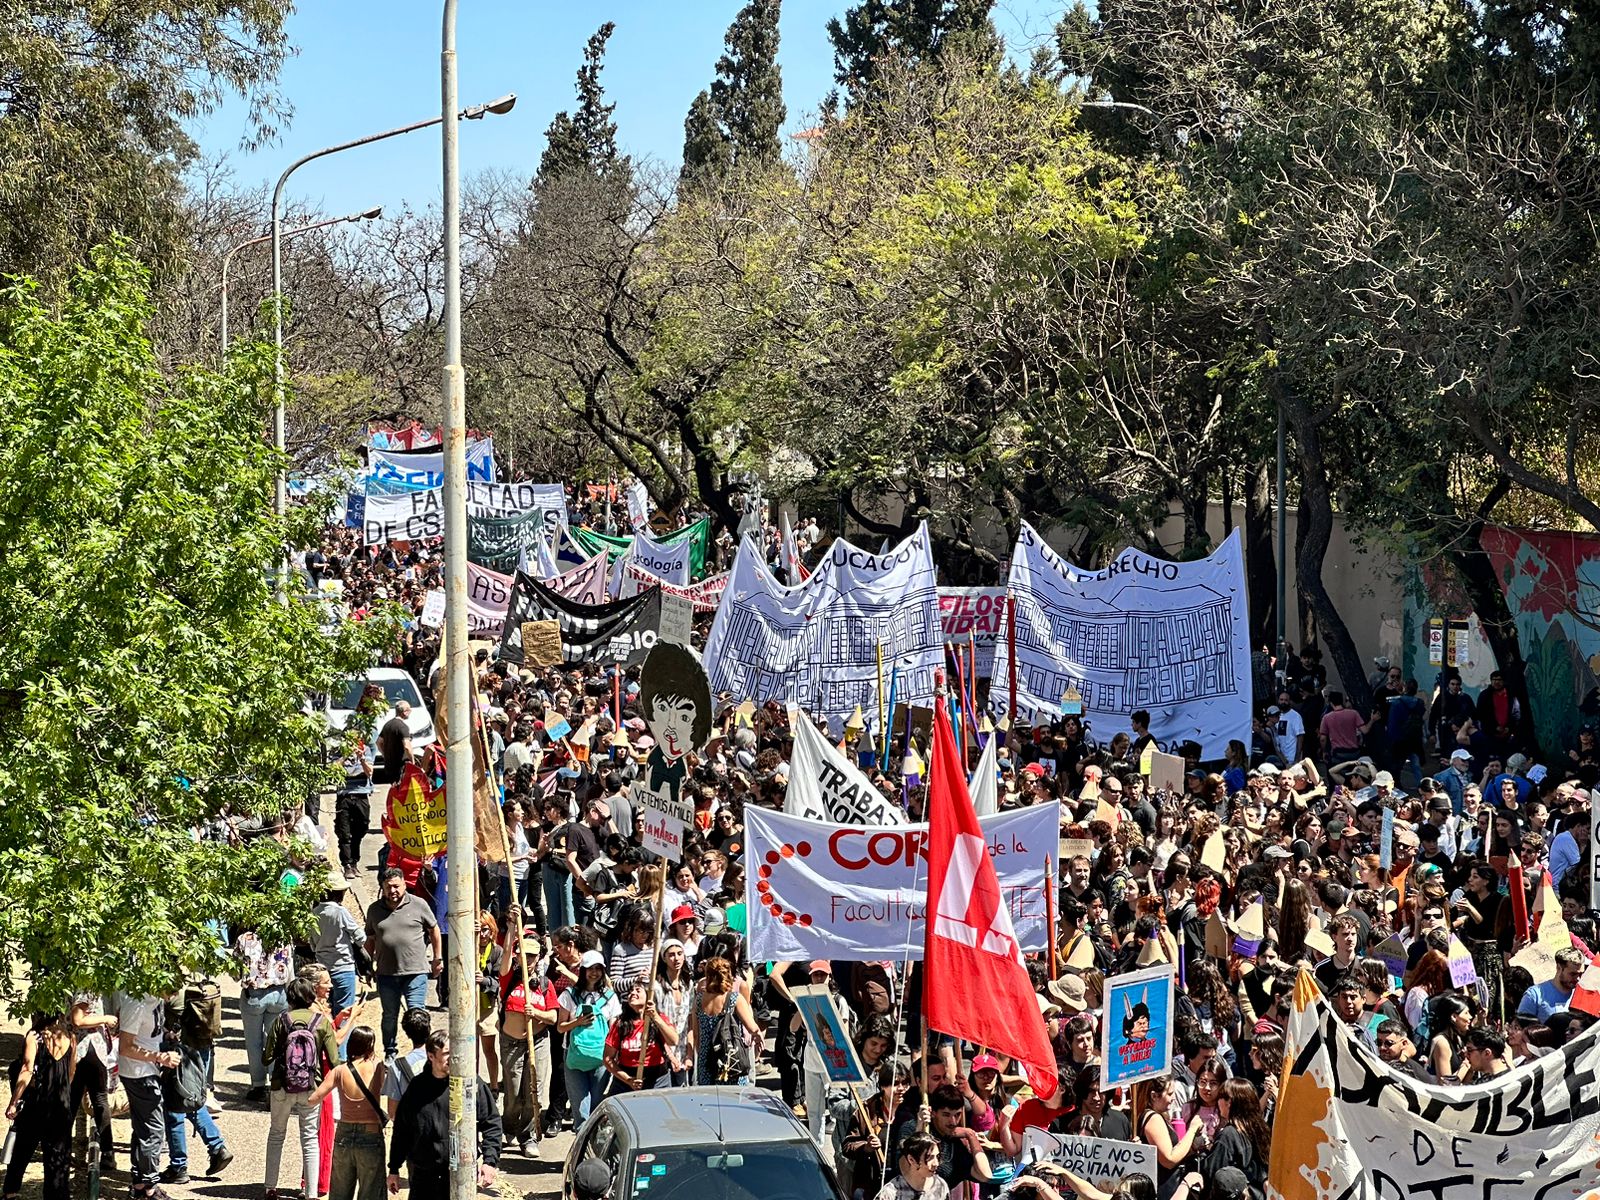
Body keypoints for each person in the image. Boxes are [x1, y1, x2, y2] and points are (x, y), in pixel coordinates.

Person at [387, 1031, 502, 1198]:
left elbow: (491, 1122)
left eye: (455, 1052)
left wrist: (490, 1162)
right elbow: (402, 1131)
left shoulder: (470, 1084)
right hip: (423, 1178)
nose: (453, 1057)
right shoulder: (417, 1088)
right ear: (431, 1056)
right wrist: (394, 1168)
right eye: (447, 1053)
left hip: (460, 1176)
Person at [263, 977, 339, 1200]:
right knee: (309, 1139)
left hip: (282, 1086)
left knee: (276, 1135)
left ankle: (270, 1188)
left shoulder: (281, 1020)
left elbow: (266, 1057)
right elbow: (334, 1061)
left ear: (290, 998)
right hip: (311, 1088)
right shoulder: (322, 1022)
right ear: (311, 997)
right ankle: (311, 1193)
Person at [365, 866, 442, 1058]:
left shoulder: (418, 904)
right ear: (382, 887)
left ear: (404, 884)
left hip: (415, 972)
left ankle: (422, 1052)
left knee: (417, 1015)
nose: (393, 891)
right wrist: (366, 966)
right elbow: (370, 939)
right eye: (388, 887)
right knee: (389, 1016)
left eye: (397, 886)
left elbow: (434, 930)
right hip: (386, 974)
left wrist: (437, 958)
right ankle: (390, 1052)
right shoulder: (374, 910)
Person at [303, 1025, 386, 1200]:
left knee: (340, 1191)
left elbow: (312, 1099)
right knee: (372, 1189)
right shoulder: (378, 1066)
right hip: (371, 1132)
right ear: (370, 1046)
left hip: (344, 1132)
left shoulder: (339, 1071)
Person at [111, 991, 180, 1200]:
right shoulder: (136, 1003)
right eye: (173, 987)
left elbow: (150, 1031)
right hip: (138, 1073)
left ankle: (140, 1184)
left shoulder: (156, 998)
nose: (175, 994)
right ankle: (150, 1187)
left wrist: (166, 1035)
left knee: (143, 1128)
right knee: (154, 1131)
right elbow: (125, 1047)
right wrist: (159, 1057)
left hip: (148, 1070)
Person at [3, 1011, 75, 1200]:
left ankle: (10, 1192)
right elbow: (71, 1073)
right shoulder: (70, 1037)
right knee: (57, 1163)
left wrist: (14, 1102)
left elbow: (26, 1070)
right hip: (62, 1105)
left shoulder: (34, 1037)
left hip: (38, 1105)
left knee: (22, 1152)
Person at [557, 950, 619, 1122]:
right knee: (580, 1108)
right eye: (590, 968)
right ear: (583, 970)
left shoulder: (610, 997)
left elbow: (614, 1029)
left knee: (597, 1105)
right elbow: (560, 1028)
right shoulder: (569, 994)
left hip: (601, 1057)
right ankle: (582, 1140)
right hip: (573, 1055)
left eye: (598, 968)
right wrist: (577, 1022)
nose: (594, 973)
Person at [688, 955, 760, 1085]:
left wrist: (702, 1055)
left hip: (707, 1060)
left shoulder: (698, 1000)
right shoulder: (734, 998)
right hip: (730, 1059)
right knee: (733, 1099)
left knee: (709, 1101)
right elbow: (752, 1027)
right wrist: (758, 1038)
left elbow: (696, 1035)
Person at [602, 978, 679, 1094]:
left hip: (658, 1081)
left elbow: (674, 1040)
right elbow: (608, 1059)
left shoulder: (659, 1019)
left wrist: (655, 1017)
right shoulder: (620, 1024)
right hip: (626, 1082)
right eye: (630, 992)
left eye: (638, 990)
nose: (633, 993)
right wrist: (628, 1080)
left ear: (649, 996)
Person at [874, 1132, 950, 1200]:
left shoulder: (940, 1186)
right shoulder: (891, 1192)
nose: (936, 1163)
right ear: (911, 1160)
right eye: (929, 1158)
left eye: (937, 1156)